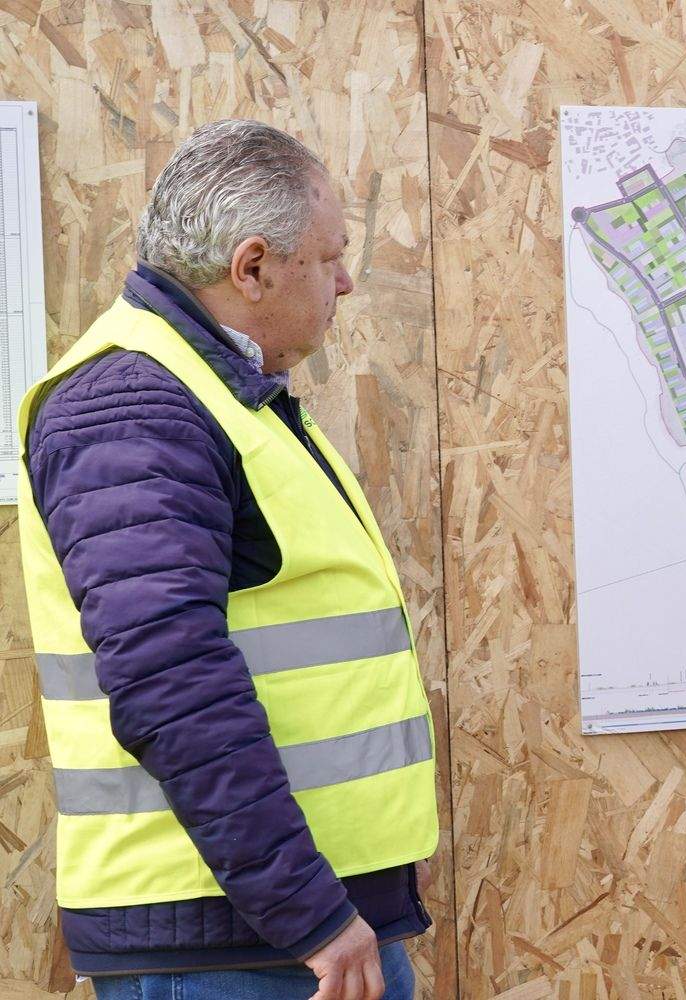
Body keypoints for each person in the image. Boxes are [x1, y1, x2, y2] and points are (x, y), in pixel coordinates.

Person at [17, 120, 439, 999]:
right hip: (235, 942)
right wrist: (311, 912)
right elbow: (173, 684)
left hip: (290, 921)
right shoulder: (135, 408)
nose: (347, 282)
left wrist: (377, 877)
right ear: (251, 268)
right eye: (329, 259)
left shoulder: (219, 391)